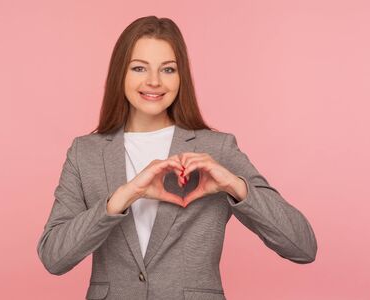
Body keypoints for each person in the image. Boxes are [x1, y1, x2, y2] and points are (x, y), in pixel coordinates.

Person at [36, 15, 318, 300]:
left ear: (181, 76)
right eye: (139, 68)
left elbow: (303, 247)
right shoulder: (85, 153)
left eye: (168, 69)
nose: (154, 81)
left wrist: (235, 186)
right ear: (120, 73)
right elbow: (54, 257)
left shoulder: (216, 149)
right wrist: (122, 198)